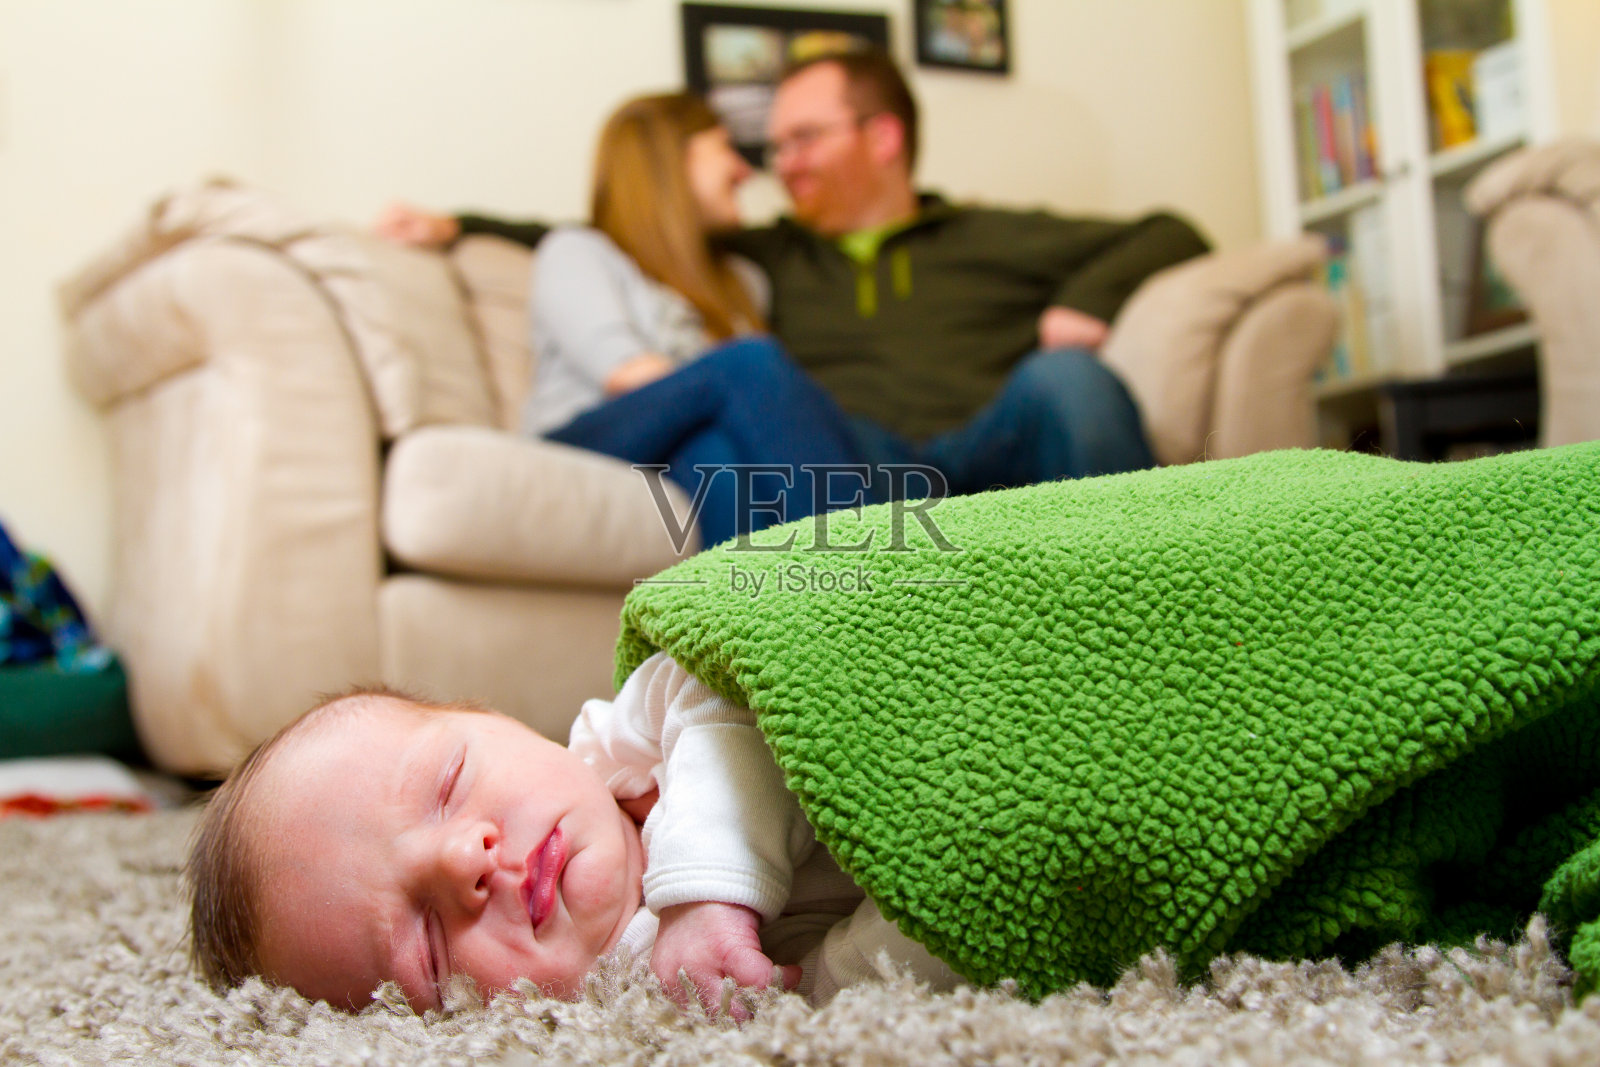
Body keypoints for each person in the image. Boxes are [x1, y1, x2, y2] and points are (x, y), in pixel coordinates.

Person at [377, 47, 1209, 498]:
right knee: (738, 403)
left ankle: (1148, 600)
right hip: (860, 454)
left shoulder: (991, 232)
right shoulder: (771, 254)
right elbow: (611, 233)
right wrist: (461, 224)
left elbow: (1171, 229)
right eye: (769, 147)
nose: (776, 165)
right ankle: (855, 607)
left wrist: (1084, 303)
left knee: (1070, 376)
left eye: (803, 139)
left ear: (881, 137)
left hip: (989, 439)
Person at [185, 653, 958, 1015]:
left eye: (448, 784)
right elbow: (938, 939)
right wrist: (830, 982)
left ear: (495, 717)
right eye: (427, 945)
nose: (465, 860)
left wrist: (703, 893)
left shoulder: (630, 736)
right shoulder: (663, 1005)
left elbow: (732, 682)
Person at [381, 93, 870, 548]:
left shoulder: (745, 280)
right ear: (670, 161)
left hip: (676, 444)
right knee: (750, 365)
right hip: (584, 437)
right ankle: (878, 588)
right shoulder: (579, 252)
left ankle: (758, 636)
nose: (745, 171)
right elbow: (627, 375)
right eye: (725, 148)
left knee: (716, 457)